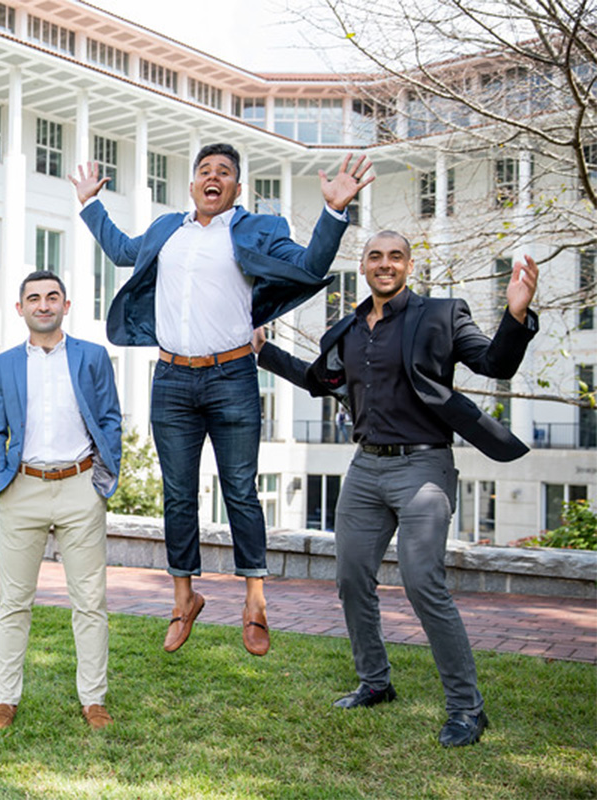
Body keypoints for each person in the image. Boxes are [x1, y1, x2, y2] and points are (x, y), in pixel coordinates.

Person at [72, 144, 373, 656]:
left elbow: (308, 264)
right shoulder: (168, 229)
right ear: (192, 185)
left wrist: (334, 211)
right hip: (171, 378)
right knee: (179, 494)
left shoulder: (258, 228)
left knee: (240, 489)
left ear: (236, 188)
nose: (214, 178)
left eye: (225, 173)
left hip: (232, 375)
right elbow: (124, 251)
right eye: (205, 171)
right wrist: (89, 206)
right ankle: (183, 598)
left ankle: (255, 603)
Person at [255, 231, 539, 747]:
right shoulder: (348, 328)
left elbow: (495, 364)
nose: (385, 265)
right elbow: (321, 381)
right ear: (363, 266)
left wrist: (515, 315)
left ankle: (467, 709)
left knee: (422, 581)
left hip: (423, 467)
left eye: (396, 256)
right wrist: (264, 352)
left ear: (409, 265)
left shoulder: (442, 314)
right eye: (375, 257)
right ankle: (375, 682)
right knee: (350, 578)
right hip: (365, 468)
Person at [0, 271, 122, 730]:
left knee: (89, 600)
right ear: (19, 308)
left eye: (52, 297)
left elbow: (110, 418)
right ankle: (6, 700)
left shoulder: (93, 357)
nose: (44, 305)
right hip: (22, 489)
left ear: (66, 304)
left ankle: (94, 700)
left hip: (81, 487)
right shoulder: (4, 364)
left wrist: (104, 478)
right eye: (34, 298)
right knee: (14, 602)